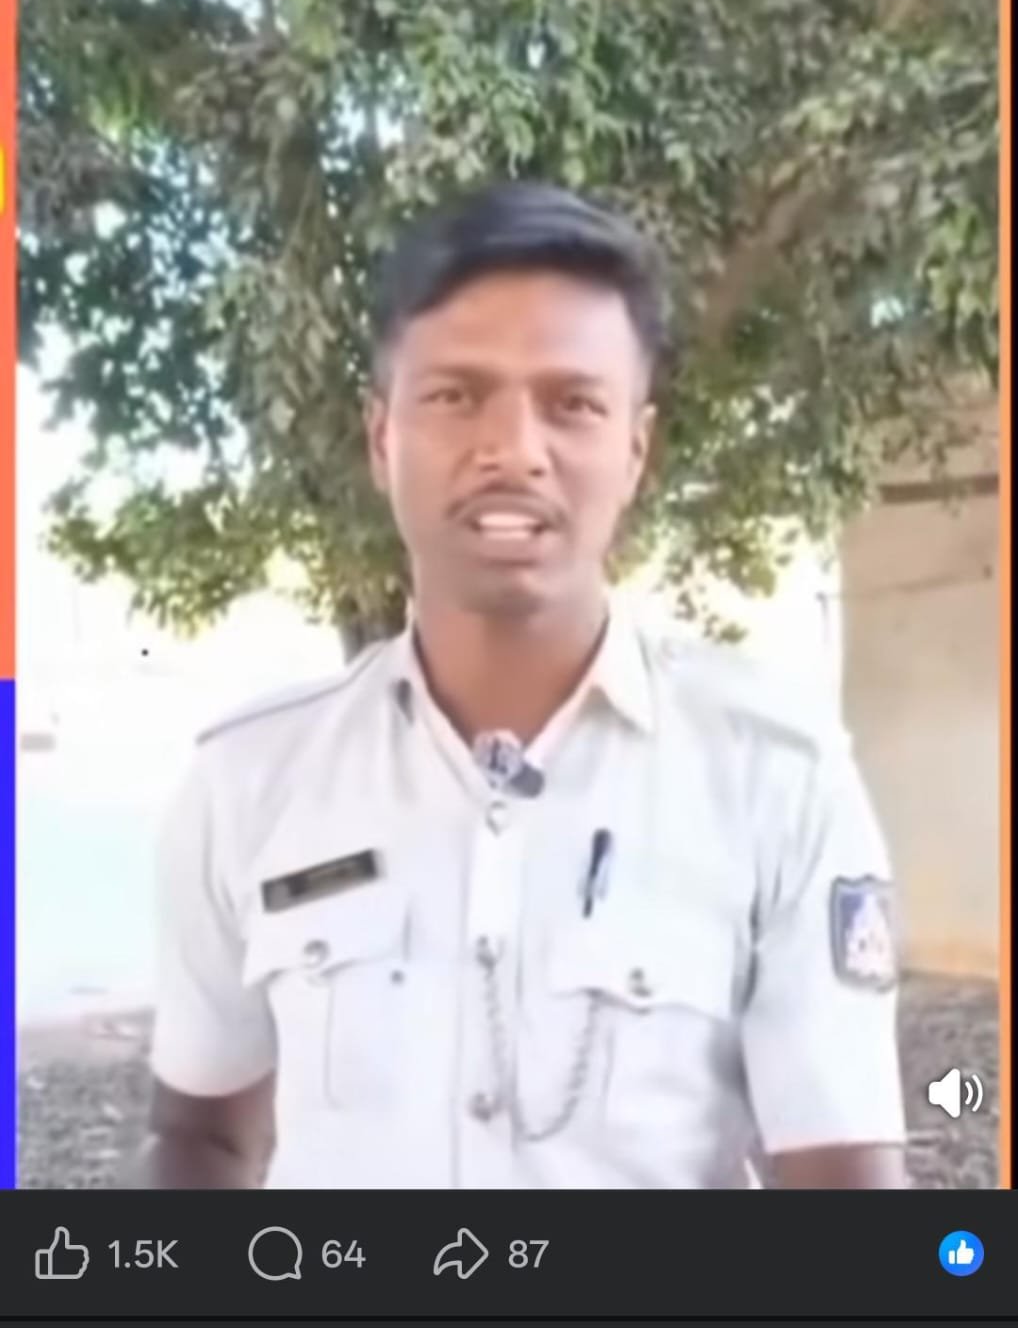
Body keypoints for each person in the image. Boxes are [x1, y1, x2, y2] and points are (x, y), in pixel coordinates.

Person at [135, 182, 907, 1190]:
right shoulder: (250, 781)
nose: (512, 452)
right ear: (381, 438)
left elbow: (842, 1182)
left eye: (572, 404)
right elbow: (200, 1137)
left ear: (634, 450)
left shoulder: (775, 778)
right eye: (456, 397)